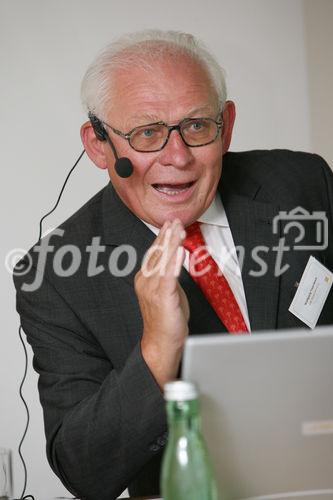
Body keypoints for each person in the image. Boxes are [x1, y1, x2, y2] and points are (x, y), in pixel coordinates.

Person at [13, 30, 333, 500]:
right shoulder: (56, 277)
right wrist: (157, 351)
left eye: (198, 126)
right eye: (147, 134)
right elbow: (85, 473)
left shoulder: (302, 185)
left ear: (226, 124)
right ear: (99, 145)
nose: (177, 157)